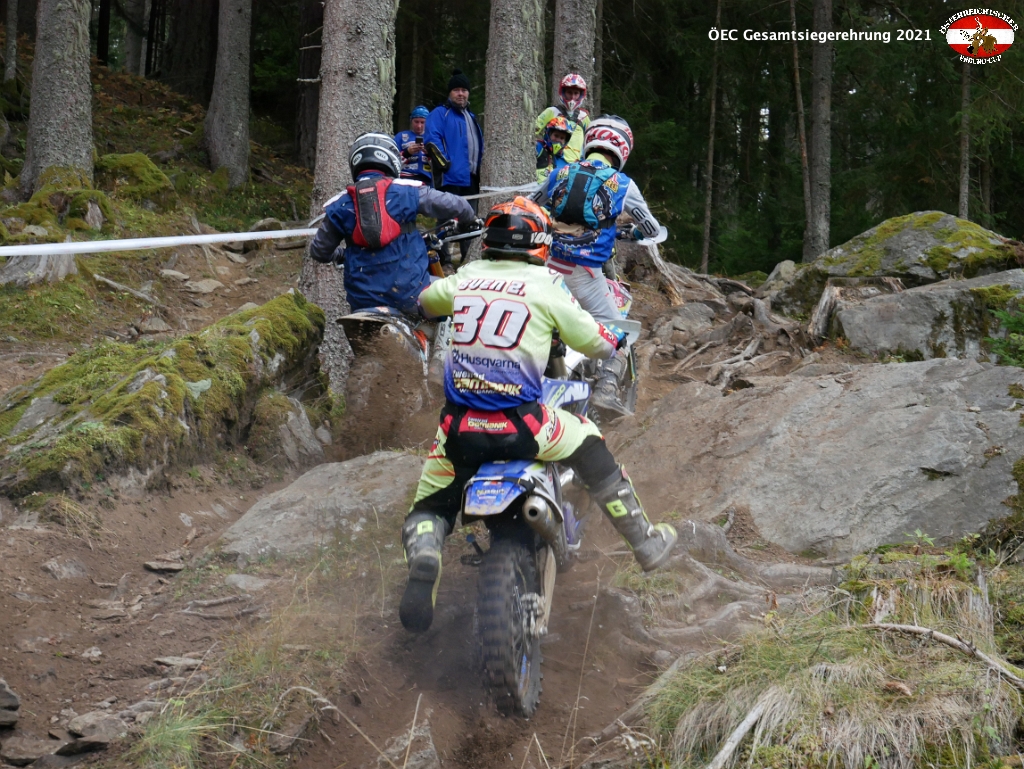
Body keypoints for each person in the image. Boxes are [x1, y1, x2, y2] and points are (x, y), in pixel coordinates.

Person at [398, 197, 678, 633]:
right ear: (541, 242)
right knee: (587, 437)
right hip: (522, 426)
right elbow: (595, 341)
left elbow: (425, 302)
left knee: (430, 505)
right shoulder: (546, 285)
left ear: (488, 240)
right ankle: (645, 543)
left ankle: (426, 553)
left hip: (459, 429)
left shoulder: (466, 277)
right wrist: (615, 339)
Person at [534, 115, 662, 417]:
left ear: (590, 141)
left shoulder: (561, 172)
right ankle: (606, 388)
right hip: (586, 275)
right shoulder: (624, 184)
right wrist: (635, 233)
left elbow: (530, 204)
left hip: (547, 268)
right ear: (622, 150)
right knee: (619, 334)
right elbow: (652, 229)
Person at [308, 132, 477, 315]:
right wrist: (467, 222)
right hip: (409, 293)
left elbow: (319, 251)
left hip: (361, 303)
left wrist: (341, 254)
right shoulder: (406, 191)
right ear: (392, 158)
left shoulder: (339, 204)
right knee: (450, 298)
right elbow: (458, 205)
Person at [425, 69, 485, 259]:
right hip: (450, 177)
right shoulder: (440, 113)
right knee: (446, 220)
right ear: (450, 92)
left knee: (470, 221)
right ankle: (443, 261)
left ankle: (467, 260)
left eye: (464, 90)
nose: (461, 94)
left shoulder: (472, 117)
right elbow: (431, 141)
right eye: (456, 90)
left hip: (472, 178)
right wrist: (444, 164)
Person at [534, 73, 591, 166]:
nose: (572, 97)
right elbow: (532, 131)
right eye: (569, 93)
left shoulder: (584, 117)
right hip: (553, 161)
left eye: (576, 93)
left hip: (576, 163)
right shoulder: (552, 111)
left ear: (581, 95)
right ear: (563, 92)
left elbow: (590, 140)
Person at [395, 106, 432, 185]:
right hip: (404, 179)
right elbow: (392, 162)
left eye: (422, 122)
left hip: (426, 180)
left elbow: (440, 167)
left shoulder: (433, 138)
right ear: (411, 120)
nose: (419, 126)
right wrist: (407, 153)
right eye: (416, 122)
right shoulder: (400, 137)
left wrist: (429, 154)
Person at [535, 114, 572, 184]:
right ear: (549, 134)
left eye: (562, 138)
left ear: (565, 141)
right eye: (556, 136)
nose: (558, 140)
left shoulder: (558, 157)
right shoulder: (539, 146)